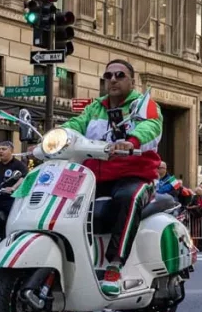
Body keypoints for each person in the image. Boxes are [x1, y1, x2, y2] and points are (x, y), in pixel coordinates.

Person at [60, 59, 163, 295]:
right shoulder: (94, 108)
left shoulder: (142, 105)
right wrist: (58, 136)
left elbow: (151, 127)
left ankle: (115, 265)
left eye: (119, 75)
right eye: (108, 76)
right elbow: (75, 125)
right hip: (94, 177)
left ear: (132, 80)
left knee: (128, 197)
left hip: (134, 175)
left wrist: (132, 141)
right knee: (61, 198)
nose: (113, 79)